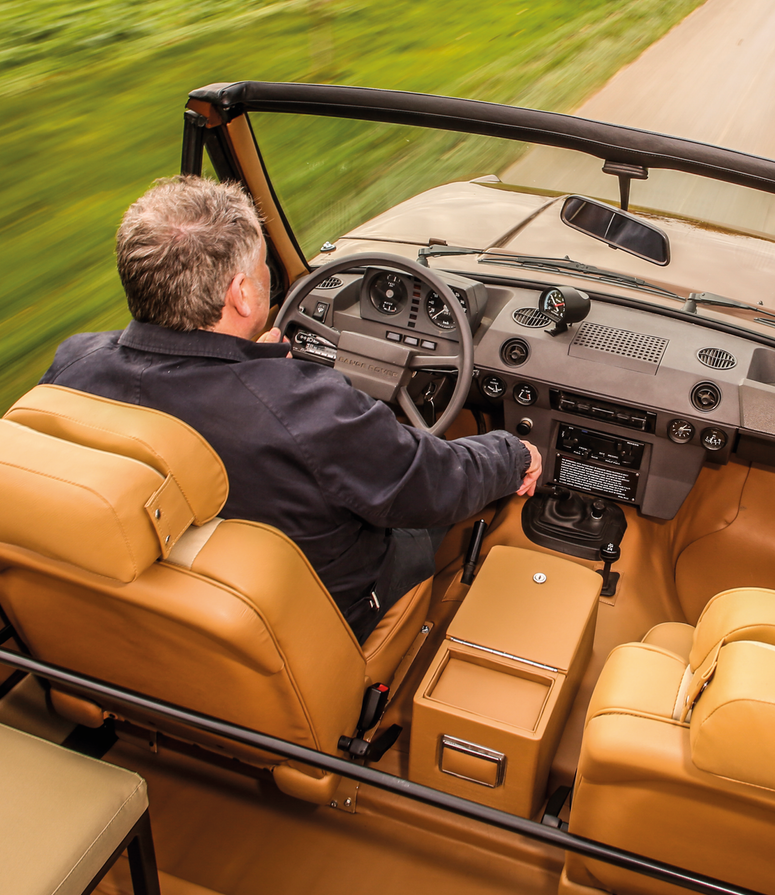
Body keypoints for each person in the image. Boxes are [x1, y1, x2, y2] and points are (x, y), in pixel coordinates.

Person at [40, 176, 540, 642]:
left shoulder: (74, 366)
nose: (268, 277)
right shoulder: (311, 408)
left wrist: (252, 361)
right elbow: (435, 482)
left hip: (157, 604)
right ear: (240, 295)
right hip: (325, 611)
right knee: (442, 507)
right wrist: (512, 453)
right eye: (263, 269)